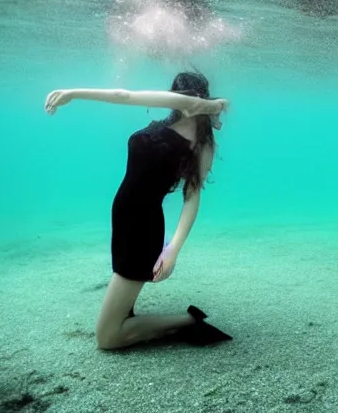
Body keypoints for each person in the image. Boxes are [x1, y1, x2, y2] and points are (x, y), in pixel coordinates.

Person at [44, 70, 233, 349]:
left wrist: (173, 249)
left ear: (198, 97)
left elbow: (192, 198)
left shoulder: (201, 145)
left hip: (142, 227)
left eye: (187, 97)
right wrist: (72, 93)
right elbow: (125, 96)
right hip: (123, 220)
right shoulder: (170, 115)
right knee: (121, 299)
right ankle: (129, 315)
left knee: (107, 338)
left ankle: (189, 321)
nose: (180, 102)